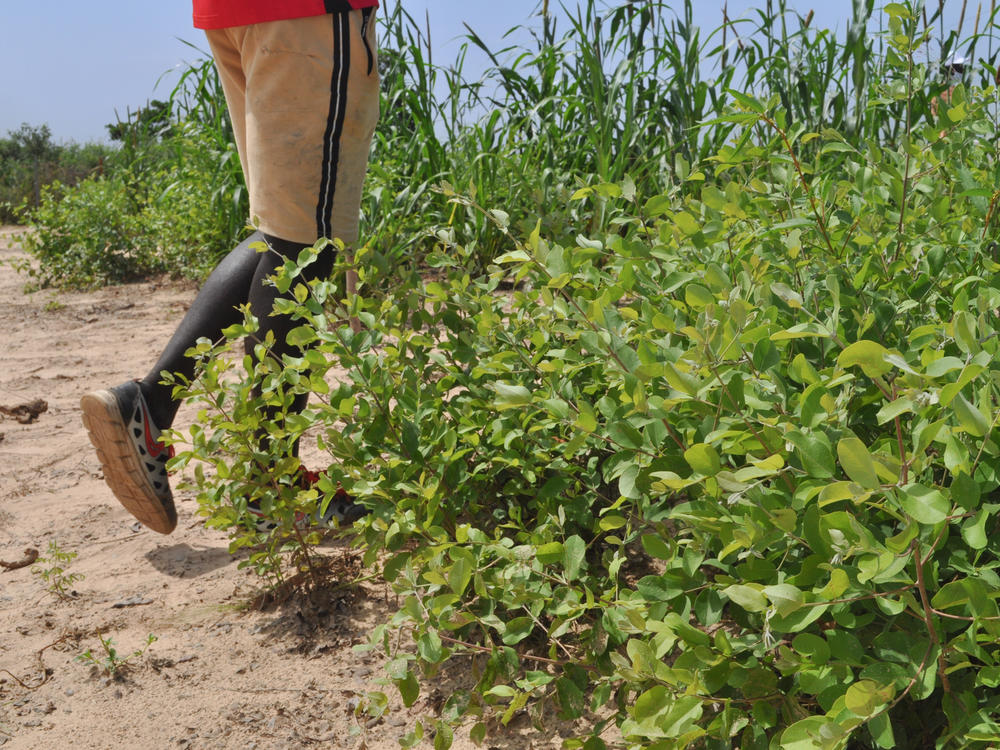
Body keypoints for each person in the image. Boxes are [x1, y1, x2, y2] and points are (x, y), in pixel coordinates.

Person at [80, 0, 380, 535]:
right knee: (309, 242)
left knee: (287, 228)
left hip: (237, 14)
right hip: (309, 15)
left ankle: (150, 406)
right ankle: (272, 484)